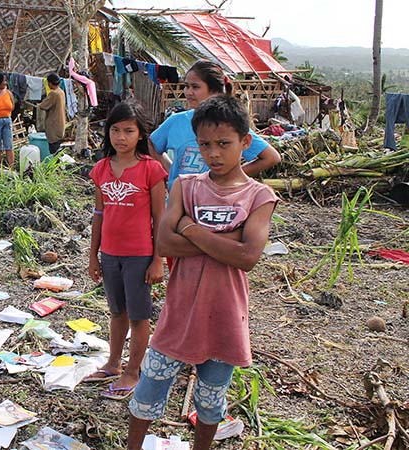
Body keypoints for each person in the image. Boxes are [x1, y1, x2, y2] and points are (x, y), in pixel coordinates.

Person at [127, 95, 278, 450]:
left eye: (224, 144)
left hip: (224, 317)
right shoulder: (187, 186)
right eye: (205, 144)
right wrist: (224, 240)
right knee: (148, 391)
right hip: (179, 313)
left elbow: (247, 256)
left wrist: (191, 229)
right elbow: (164, 242)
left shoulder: (259, 196)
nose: (213, 153)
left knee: (210, 403)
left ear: (245, 142)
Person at [86, 101, 167, 400]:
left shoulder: (151, 170)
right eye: (115, 130)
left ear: (140, 135)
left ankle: (133, 370)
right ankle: (112, 362)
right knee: (116, 311)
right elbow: (99, 214)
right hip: (110, 254)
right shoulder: (101, 169)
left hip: (139, 255)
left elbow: (160, 218)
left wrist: (158, 259)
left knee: (138, 315)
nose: (121, 137)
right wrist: (93, 255)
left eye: (128, 131)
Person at [149, 60, 281, 190]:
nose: (188, 92)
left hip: (216, 204)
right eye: (186, 86)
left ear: (215, 91)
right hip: (178, 203)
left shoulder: (229, 124)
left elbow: (271, 157)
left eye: (195, 87)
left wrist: (228, 178)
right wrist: (171, 170)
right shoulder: (176, 121)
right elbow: (151, 144)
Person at [38, 72, 67, 155]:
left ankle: (57, 167)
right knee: (58, 149)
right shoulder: (61, 92)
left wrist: (40, 104)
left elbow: (43, 106)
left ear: (50, 83)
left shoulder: (53, 94)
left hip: (54, 126)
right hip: (60, 125)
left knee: (54, 151)